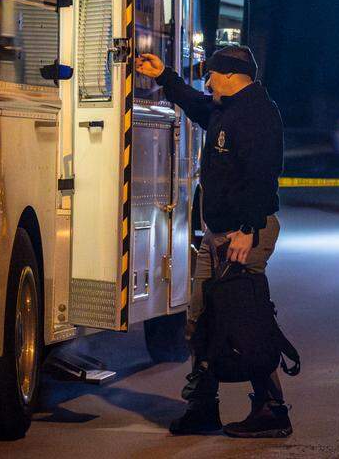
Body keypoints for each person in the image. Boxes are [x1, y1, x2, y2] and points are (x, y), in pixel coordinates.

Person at [134, 46, 292, 439]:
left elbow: (263, 176)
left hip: (242, 234)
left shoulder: (257, 114)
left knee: (245, 324)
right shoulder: (225, 108)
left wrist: (248, 229)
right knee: (201, 322)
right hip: (218, 234)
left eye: (211, 75)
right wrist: (165, 76)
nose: (207, 82)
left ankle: (272, 410)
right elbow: (195, 102)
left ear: (230, 75)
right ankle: (203, 408)